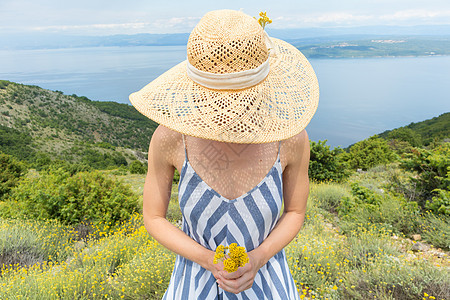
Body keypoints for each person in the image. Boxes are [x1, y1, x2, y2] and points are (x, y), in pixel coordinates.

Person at [129, 9, 319, 299]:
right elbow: (153, 217)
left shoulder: (291, 139)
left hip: (268, 284)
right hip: (192, 285)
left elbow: (295, 212)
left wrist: (259, 257)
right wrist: (207, 259)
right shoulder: (170, 138)